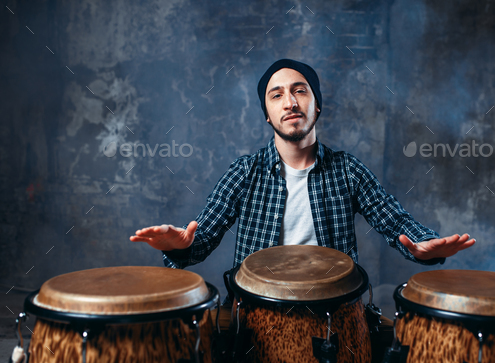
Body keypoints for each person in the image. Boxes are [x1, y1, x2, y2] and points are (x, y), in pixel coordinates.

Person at [130, 59, 475, 270]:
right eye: (276, 95)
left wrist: (427, 247)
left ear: (317, 105)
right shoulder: (244, 172)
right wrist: (179, 245)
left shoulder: (347, 170)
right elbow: (200, 239)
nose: (290, 102)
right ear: (267, 115)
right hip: (256, 309)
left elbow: (395, 223)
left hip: (334, 311)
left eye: (301, 91)